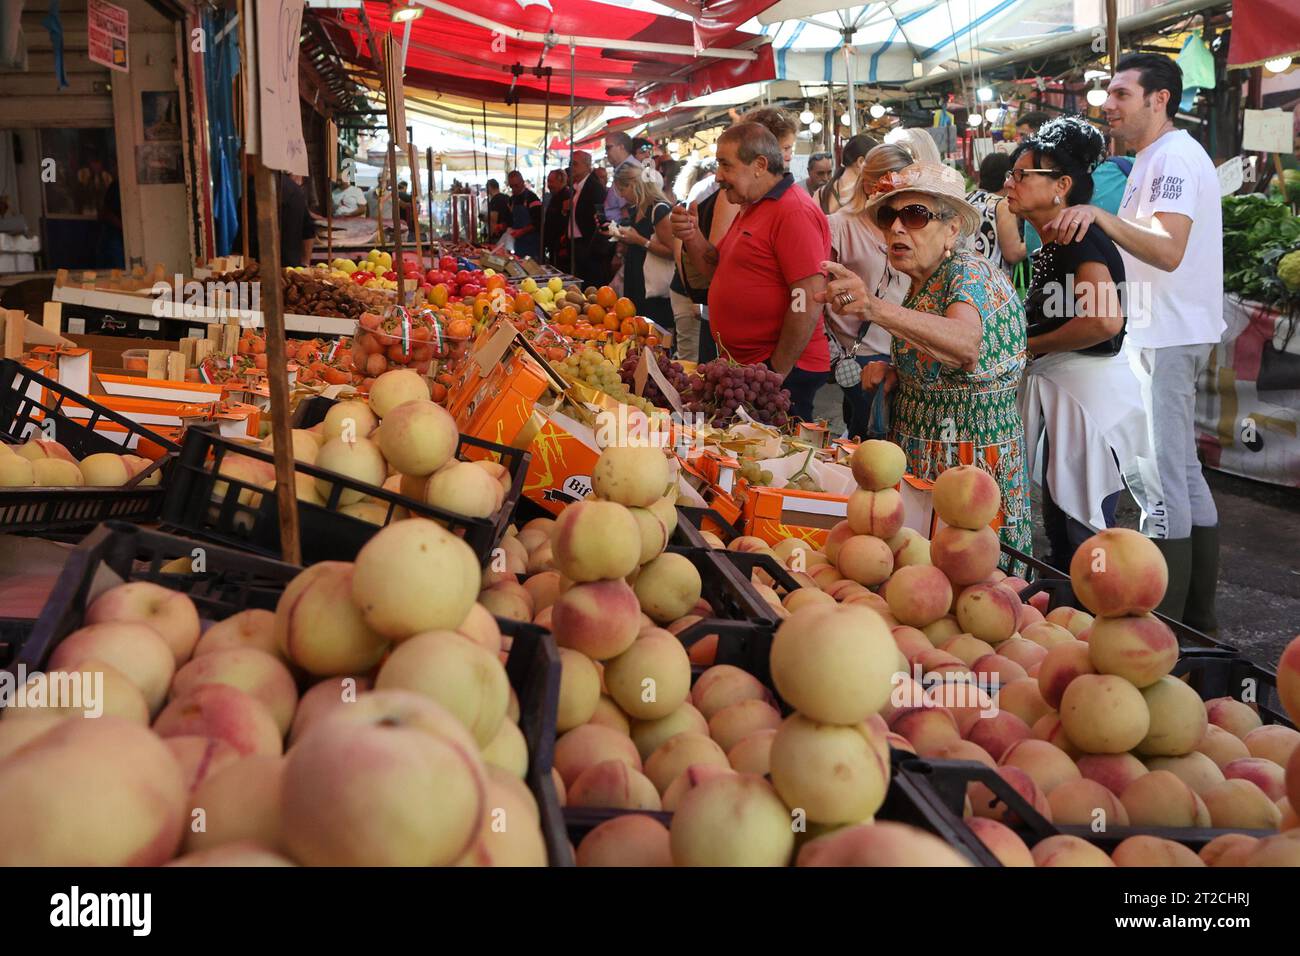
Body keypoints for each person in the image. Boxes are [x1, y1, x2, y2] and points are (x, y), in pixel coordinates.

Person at [1044, 53, 1224, 631]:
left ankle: (1164, 627)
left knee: (1161, 479)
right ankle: (1197, 625)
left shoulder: (1173, 156)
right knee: (1178, 473)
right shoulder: (1152, 159)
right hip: (1157, 329)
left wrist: (1096, 216)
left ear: (1159, 100)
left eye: (1122, 94)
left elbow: (1167, 250)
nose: (1109, 106)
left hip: (1168, 334)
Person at [819, 162, 1033, 559]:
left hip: (966, 468)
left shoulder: (967, 273)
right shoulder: (926, 279)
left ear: (952, 228)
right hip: (930, 465)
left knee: (972, 584)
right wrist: (898, 372)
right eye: (889, 216)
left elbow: (965, 345)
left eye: (915, 215)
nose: (897, 228)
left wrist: (872, 308)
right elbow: (946, 361)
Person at [1005, 115, 1152, 572]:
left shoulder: (1076, 237)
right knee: (1064, 516)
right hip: (1074, 395)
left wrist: (1032, 346)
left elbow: (1104, 320)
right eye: (1011, 174)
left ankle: (1087, 619)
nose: (1010, 183)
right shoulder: (1056, 236)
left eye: (1021, 175)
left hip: (1089, 401)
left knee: (1082, 530)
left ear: (1061, 185)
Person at [671, 122, 831, 420]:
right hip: (748, 372)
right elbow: (715, 272)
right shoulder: (753, 206)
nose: (718, 176)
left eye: (725, 165)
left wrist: (774, 374)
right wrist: (692, 235)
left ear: (759, 165)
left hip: (779, 375)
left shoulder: (793, 211)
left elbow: (807, 300)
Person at [825, 144, 913, 440]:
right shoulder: (839, 226)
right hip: (859, 355)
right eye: (893, 183)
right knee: (871, 440)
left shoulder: (911, 226)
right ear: (869, 184)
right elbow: (821, 292)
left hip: (904, 351)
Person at [608, 164, 675, 335]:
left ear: (634, 185)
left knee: (653, 335)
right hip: (637, 282)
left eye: (622, 190)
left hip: (653, 290)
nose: (622, 196)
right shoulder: (638, 208)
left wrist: (638, 240)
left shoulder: (659, 209)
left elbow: (672, 251)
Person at [668, 159, 717, 361]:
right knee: (690, 355)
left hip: (701, 296)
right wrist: (693, 297)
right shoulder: (687, 210)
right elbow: (679, 255)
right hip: (688, 293)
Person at [965, 151, 1025, 275]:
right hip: (993, 283)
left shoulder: (965, 199)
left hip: (966, 277)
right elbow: (1013, 254)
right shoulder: (1002, 206)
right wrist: (1034, 242)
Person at [567, 150, 609, 287]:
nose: (571, 167)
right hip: (577, 244)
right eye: (570, 164)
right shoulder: (576, 187)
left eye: (575, 164)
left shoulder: (594, 187)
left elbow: (601, 217)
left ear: (587, 166)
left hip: (589, 246)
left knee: (589, 285)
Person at [818, 134, 879, 215]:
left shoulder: (821, 193)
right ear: (861, 162)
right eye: (875, 162)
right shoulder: (866, 194)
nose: (878, 168)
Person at [603, 131, 640, 225]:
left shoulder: (629, 169)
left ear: (621, 147)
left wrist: (622, 234)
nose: (606, 152)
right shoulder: (625, 167)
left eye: (608, 147)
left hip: (621, 230)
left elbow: (627, 208)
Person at [278, 172, 315, 267]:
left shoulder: (254, 188)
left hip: (262, 268)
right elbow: (309, 230)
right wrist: (305, 263)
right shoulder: (297, 191)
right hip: (293, 266)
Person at [506, 170, 542, 260]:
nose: (514, 189)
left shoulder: (532, 198)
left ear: (522, 182)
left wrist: (522, 231)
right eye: (511, 186)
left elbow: (538, 222)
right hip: (517, 244)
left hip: (531, 244)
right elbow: (510, 220)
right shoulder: (511, 200)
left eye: (516, 185)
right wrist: (503, 225)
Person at [543, 169, 572, 267]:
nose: (548, 185)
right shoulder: (555, 196)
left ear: (561, 181)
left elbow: (567, 222)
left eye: (551, 181)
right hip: (553, 244)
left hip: (560, 246)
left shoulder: (567, 196)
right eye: (548, 181)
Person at [485, 179, 511, 243]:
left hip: (497, 236)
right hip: (508, 234)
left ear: (489, 187)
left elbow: (494, 220)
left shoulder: (494, 200)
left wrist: (488, 238)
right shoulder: (507, 197)